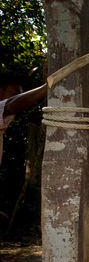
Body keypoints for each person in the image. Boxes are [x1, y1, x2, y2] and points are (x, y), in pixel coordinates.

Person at [0, 75, 47, 243]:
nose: (17, 97)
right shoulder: (4, 109)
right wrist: (47, 86)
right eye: (14, 93)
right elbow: (12, 105)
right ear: (2, 89)